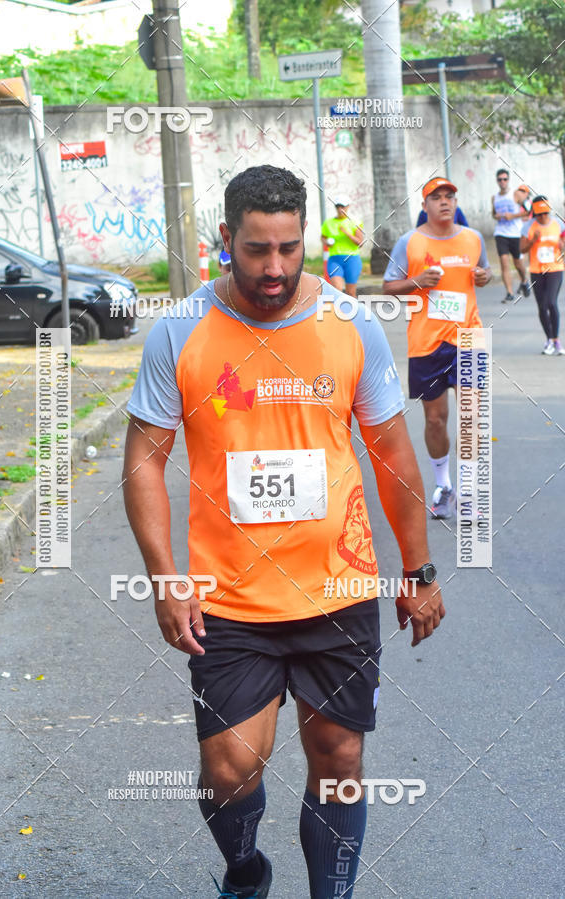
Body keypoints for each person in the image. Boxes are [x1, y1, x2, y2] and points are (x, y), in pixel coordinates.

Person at [123, 165, 445, 899]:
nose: (274, 268)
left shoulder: (350, 323)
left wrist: (419, 571)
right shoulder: (181, 329)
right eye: (257, 250)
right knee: (230, 768)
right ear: (225, 240)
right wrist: (166, 577)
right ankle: (246, 871)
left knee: (339, 758)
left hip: (337, 587)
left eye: (289, 249)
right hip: (228, 598)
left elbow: (393, 456)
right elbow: (143, 461)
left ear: (305, 240)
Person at [383, 176, 492, 520]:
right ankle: (444, 486)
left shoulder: (473, 238)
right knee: (435, 419)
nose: (445, 201)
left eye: (449, 196)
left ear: (455, 202)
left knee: (471, 418)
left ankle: (468, 493)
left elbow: (485, 271)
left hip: (469, 338)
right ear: (425, 205)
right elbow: (388, 286)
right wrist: (417, 281)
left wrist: (485, 276)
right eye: (437, 197)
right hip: (426, 343)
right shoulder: (410, 242)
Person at [520, 195, 565, 355]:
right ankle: (549, 339)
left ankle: (556, 340)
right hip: (537, 271)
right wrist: (533, 241)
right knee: (542, 306)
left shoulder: (558, 224)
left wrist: (562, 245)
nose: (543, 216)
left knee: (551, 302)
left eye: (545, 213)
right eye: (539, 214)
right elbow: (522, 249)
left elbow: (563, 244)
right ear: (534, 213)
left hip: (555, 269)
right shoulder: (528, 227)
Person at [491, 168, 531, 303]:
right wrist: (496, 216)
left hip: (515, 233)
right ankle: (509, 292)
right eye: (500, 179)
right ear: (497, 181)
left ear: (508, 180)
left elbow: (528, 211)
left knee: (518, 264)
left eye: (505, 179)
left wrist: (513, 216)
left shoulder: (515, 194)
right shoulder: (494, 197)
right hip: (500, 233)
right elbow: (493, 214)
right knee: (504, 262)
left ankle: (524, 280)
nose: (502, 182)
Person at [321, 194, 363, 297]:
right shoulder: (328, 223)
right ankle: (338, 307)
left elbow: (360, 243)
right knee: (337, 290)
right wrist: (327, 242)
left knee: (351, 293)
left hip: (352, 259)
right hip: (335, 259)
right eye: (338, 206)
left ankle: (351, 308)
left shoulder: (354, 222)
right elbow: (323, 237)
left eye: (343, 206)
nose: (340, 209)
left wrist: (346, 233)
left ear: (348, 206)